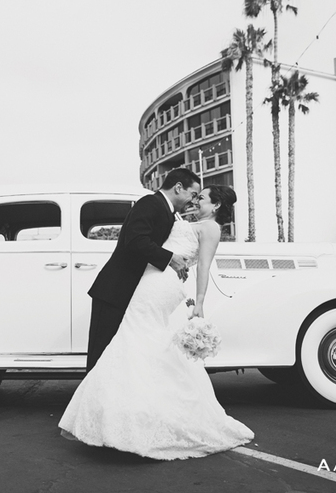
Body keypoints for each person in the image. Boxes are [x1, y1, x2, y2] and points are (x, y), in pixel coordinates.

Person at [60, 186, 254, 460]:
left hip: (162, 283)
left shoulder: (211, 228)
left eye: (202, 198)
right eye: (195, 195)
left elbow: (204, 267)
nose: (196, 201)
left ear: (217, 205)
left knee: (137, 333)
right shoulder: (188, 221)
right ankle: (131, 414)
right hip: (150, 279)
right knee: (139, 337)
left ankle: (133, 417)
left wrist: (199, 303)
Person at [85, 168, 201, 372]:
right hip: (115, 290)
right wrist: (170, 258)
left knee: (119, 354)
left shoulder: (167, 211)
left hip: (133, 293)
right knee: (102, 353)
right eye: (192, 194)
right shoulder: (150, 203)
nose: (193, 201)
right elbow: (135, 240)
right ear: (178, 187)